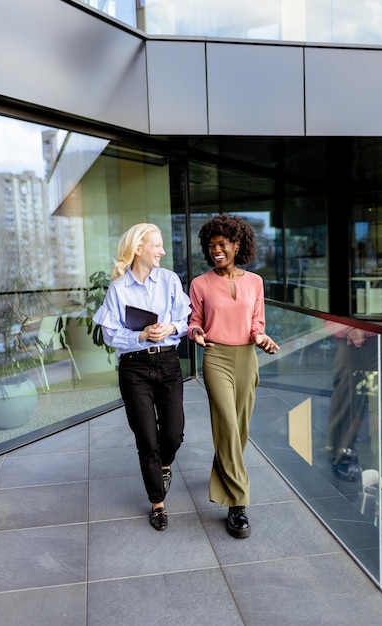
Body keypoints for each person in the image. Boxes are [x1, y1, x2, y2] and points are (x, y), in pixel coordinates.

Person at [93, 223, 191, 531]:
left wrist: (171, 329)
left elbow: (185, 319)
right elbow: (110, 335)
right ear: (139, 249)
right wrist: (140, 335)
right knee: (146, 437)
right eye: (157, 245)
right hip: (134, 368)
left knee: (173, 433)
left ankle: (165, 464)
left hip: (168, 364)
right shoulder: (118, 288)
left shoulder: (170, 280)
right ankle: (157, 503)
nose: (162, 251)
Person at [188, 214, 279, 539]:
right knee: (226, 423)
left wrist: (261, 338)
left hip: (246, 358)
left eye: (222, 244)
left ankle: (221, 478)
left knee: (238, 429)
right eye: (211, 246)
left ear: (237, 245)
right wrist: (196, 331)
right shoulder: (200, 283)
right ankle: (237, 504)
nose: (216, 251)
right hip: (215, 358)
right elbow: (195, 320)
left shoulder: (255, 282)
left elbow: (257, 322)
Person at [324, 323, 376, 482]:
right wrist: (349, 329)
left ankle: (381, 460)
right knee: (348, 398)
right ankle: (340, 454)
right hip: (353, 336)